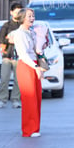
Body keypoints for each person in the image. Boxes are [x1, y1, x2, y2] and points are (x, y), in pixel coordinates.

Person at [12, 8, 46, 137]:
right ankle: (28, 130)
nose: (32, 18)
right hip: (26, 66)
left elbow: (35, 50)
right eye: (29, 16)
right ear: (22, 18)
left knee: (37, 97)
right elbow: (23, 54)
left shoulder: (31, 32)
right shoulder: (19, 34)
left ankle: (35, 127)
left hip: (34, 64)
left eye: (33, 16)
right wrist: (36, 66)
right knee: (29, 98)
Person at [0, 2, 23, 109]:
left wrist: (14, 39)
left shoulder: (22, 26)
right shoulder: (6, 26)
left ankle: (16, 99)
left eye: (19, 12)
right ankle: (2, 99)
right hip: (7, 56)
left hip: (19, 57)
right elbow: (0, 39)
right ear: (11, 13)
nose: (17, 14)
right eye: (15, 12)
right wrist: (9, 41)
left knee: (18, 80)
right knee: (4, 78)